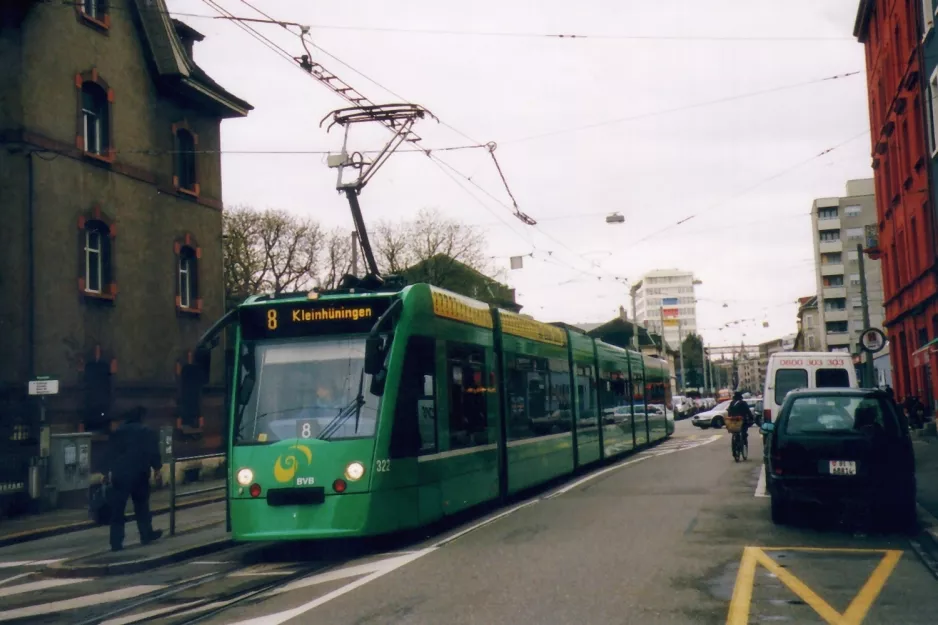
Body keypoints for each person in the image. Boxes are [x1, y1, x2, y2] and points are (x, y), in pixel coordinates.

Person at [104, 406, 163, 552]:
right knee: (142, 506)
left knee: (118, 509)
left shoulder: (118, 432)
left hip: (120, 474)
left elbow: (109, 453)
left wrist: (105, 472)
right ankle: (146, 534)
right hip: (139, 474)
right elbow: (153, 452)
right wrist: (157, 469)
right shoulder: (146, 431)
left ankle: (116, 542)